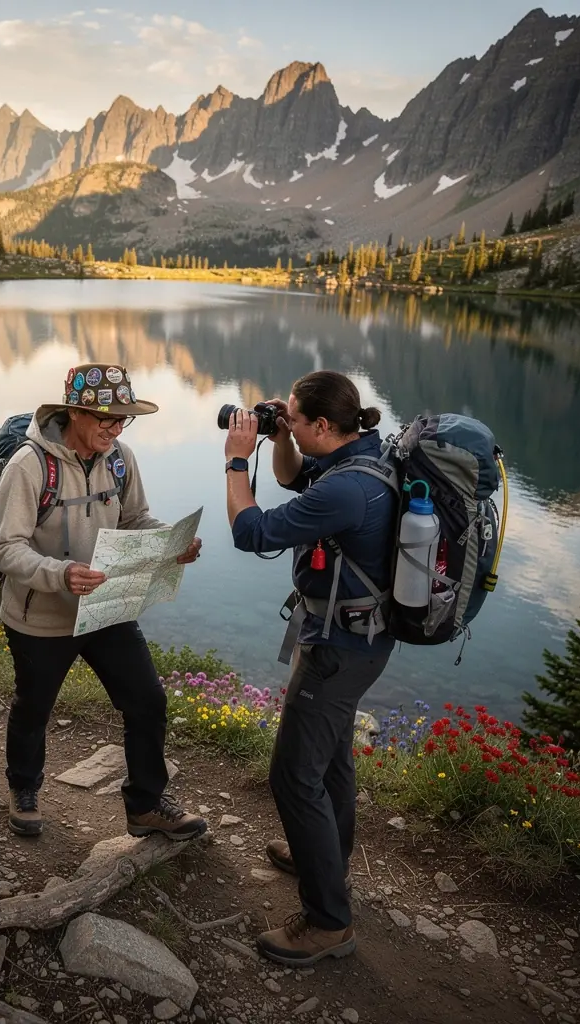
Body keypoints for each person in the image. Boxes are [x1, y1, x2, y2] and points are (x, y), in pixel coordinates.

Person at [0, 362, 207, 841]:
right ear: (74, 413)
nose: (115, 427)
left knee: (147, 700)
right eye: (105, 418)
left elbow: (135, 520)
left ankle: (146, 804)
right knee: (34, 706)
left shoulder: (121, 458)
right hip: (39, 614)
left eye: (122, 419)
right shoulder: (29, 465)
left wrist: (171, 543)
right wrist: (60, 574)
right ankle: (24, 790)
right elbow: (4, 548)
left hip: (106, 606)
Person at [224, 370, 396, 967]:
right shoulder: (363, 458)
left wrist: (235, 462)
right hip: (361, 640)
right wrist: (278, 437)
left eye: (295, 420)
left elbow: (251, 530)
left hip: (338, 649)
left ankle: (328, 923)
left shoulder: (348, 491)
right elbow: (297, 477)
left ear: (324, 426)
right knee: (333, 760)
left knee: (294, 775)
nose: (287, 425)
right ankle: (323, 853)